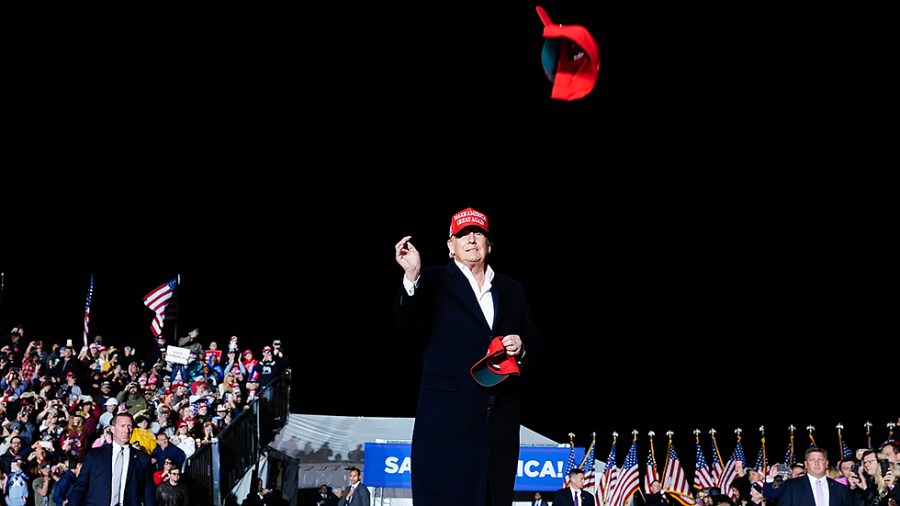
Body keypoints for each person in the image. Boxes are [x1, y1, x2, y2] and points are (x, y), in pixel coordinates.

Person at [393, 206, 545, 506]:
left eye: (478, 233)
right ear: (451, 245)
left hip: (499, 422)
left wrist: (523, 344)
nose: (472, 240)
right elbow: (407, 323)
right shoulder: (432, 280)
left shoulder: (512, 289)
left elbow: (535, 335)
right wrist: (411, 276)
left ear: (489, 244)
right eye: (463, 235)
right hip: (446, 423)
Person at [66, 412, 157, 506]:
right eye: (122, 426)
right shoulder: (95, 455)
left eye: (129, 426)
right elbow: (80, 487)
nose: (126, 430)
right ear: (112, 429)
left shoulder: (143, 459)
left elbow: (148, 494)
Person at [778, 446, 853, 506]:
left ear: (826, 464)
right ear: (806, 464)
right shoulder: (791, 486)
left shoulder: (841, 489)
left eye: (820, 460)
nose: (816, 463)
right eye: (812, 460)